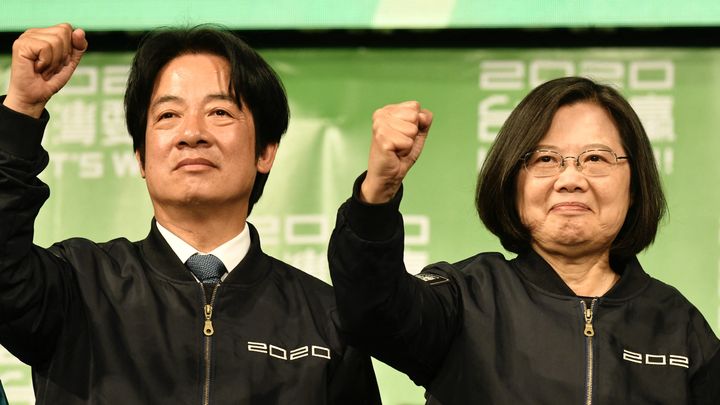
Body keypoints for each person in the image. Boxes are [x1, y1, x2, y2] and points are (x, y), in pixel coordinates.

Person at [0, 23, 380, 404]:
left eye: (219, 112)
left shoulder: (325, 320)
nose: (191, 133)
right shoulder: (77, 287)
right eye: (168, 115)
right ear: (141, 157)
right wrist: (21, 108)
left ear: (265, 151)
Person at [328, 77, 720, 404]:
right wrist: (378, 193)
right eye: (545, 159)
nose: (571, 179)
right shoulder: (467, 299)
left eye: (596, 159)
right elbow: (371, 311)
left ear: (634, 186)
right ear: (511, 182)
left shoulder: (677, 324)